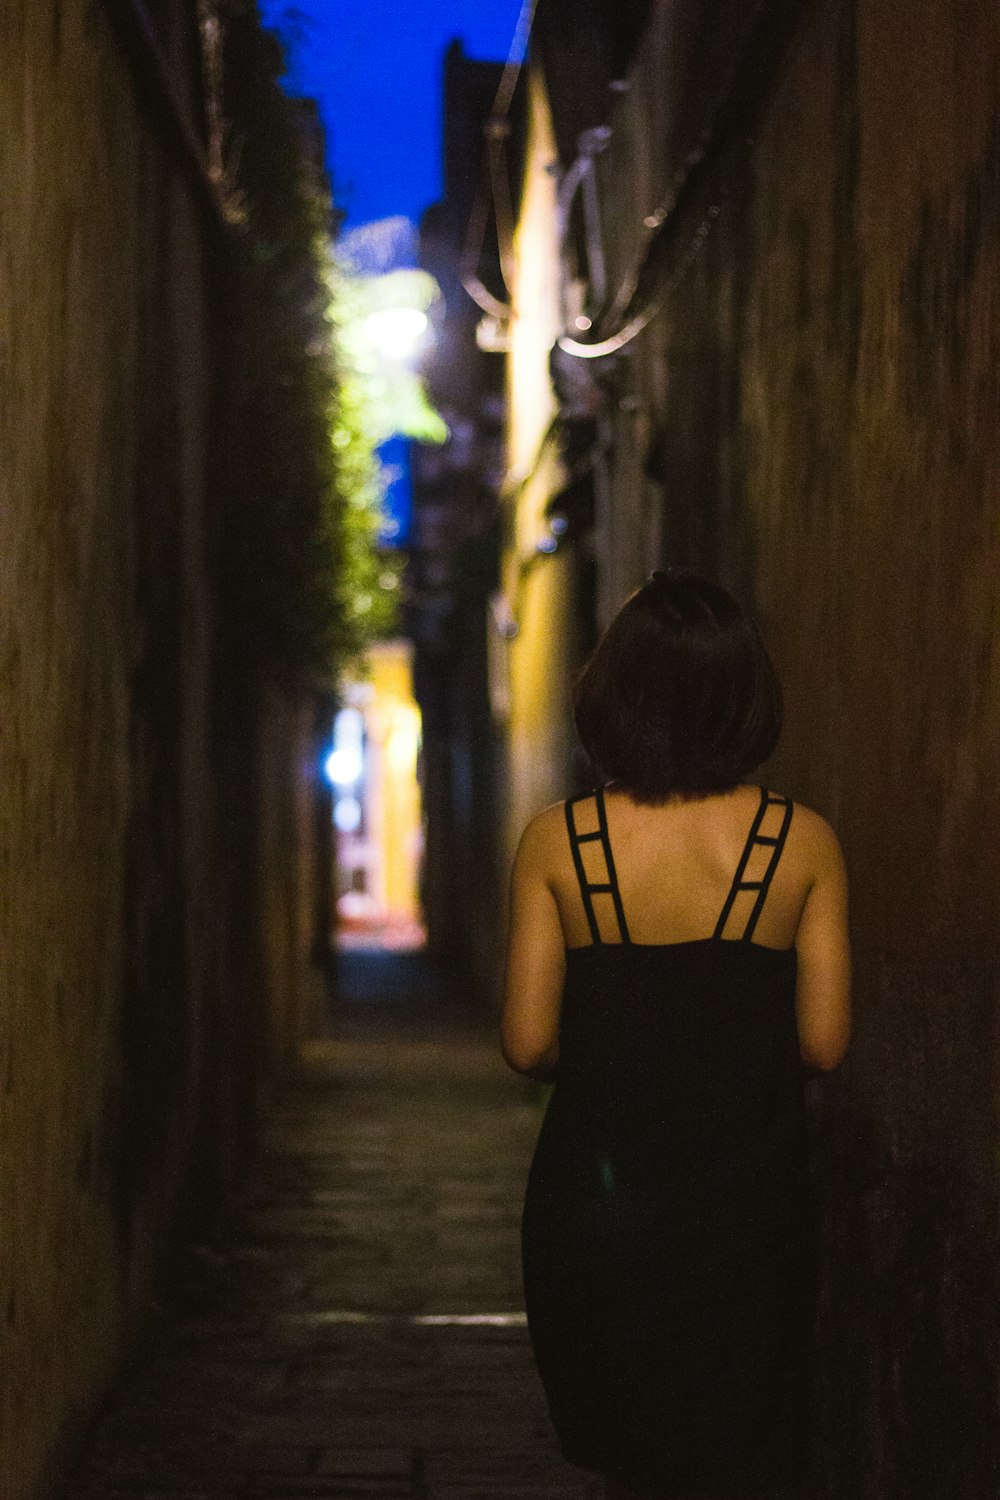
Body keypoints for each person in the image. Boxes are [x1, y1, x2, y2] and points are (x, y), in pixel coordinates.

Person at [501, 570, 851, 1500]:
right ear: (747, 699)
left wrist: (627, 1048)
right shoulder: (803, 845)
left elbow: (528, 1043)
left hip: (599, 1203)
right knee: (741, 1453)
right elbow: (822, 1044)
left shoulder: (556, 843)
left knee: (629, 1458)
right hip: (749, 1204)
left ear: (610, 694)